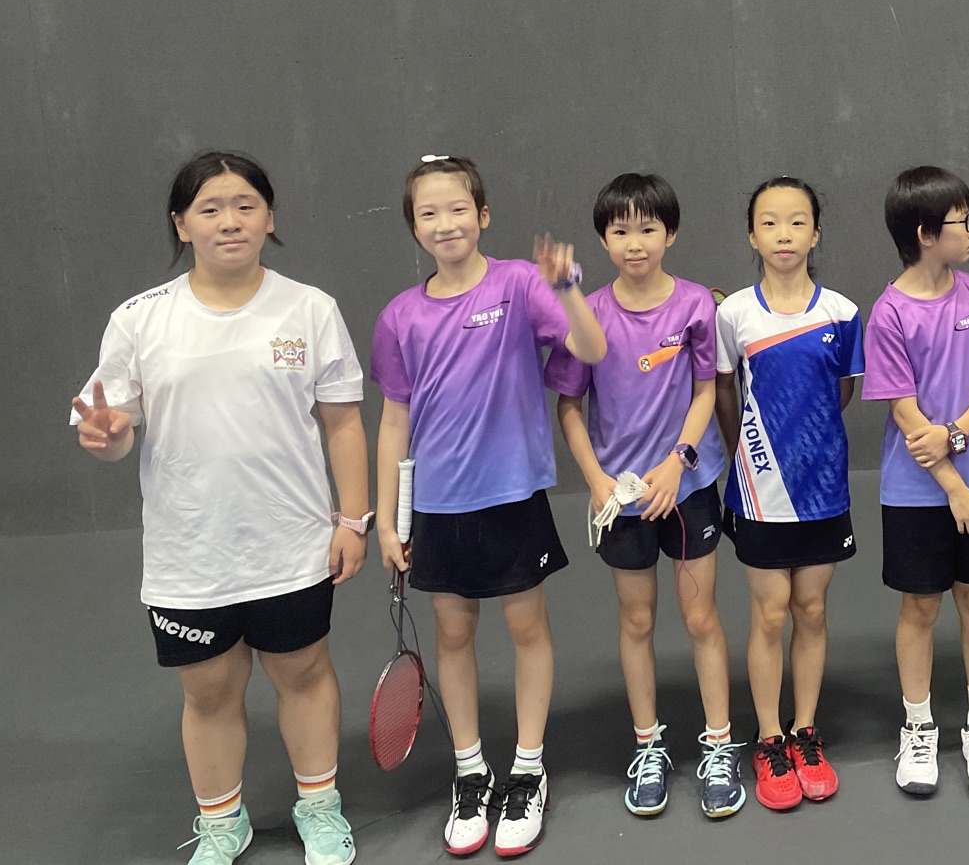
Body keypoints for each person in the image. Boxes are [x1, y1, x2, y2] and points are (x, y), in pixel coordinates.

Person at [71, 151, 368, 865]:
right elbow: (115, 429)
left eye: (245, 205)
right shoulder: (140, 318)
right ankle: (221, 821)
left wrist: (353, 519)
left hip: (291, 544)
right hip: (190, 553)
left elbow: (343, 423)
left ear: (269, 217)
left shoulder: (309, 308)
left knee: (304, 673)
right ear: (182, 224)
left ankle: (319, 808)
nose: (229, 220)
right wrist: (107, 437)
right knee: (208, 691)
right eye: (210, 208)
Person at [371, 154, 606, 858]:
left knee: (527, 625)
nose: (445, 223)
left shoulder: (520, 284)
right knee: (452, 633)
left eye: (457, 209)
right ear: (414, 226)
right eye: (428, 213)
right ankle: (471, 770)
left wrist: (566, 289)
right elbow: (393, 422)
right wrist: (386, 519)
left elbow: (590, 347)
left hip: (511, 492)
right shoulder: (400, 316)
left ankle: (528, 769)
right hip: (439, 503)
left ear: (483, 215)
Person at [548, 173, 745, 819]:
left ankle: (719, 744)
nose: (635, 242)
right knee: (636, 621)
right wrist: (596, 479)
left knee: (700, 617)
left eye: (648, 228)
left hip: (687, 489)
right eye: (621, 230)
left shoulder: (695, 305)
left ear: (671, 234)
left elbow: (706, 392)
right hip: (623, 499)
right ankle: (648, 745)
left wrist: (678, 461)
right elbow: (569, 406)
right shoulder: (588, 313)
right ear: (604, 239)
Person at [863, 166, 969, 798]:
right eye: (963, 222)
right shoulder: (888, 314)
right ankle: (919, 728)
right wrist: (953, 485)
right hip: (917, 491)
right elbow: (905, 413)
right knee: (921, 606)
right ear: (926, 233)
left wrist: (955, 435)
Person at [714, 177, 864, 810]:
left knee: (812, 609)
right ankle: (769, 737)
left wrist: (808, 444)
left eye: (797, 222)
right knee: (770, 612)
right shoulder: (733, 314)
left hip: (823, 486)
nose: (784, 234)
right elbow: (725, 394)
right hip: (759, 489)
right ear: (752, 236)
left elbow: (842, 394)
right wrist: (750, 452)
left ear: (816, 234)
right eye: (770, 223)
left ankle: (806, 732)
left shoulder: (843, 313)